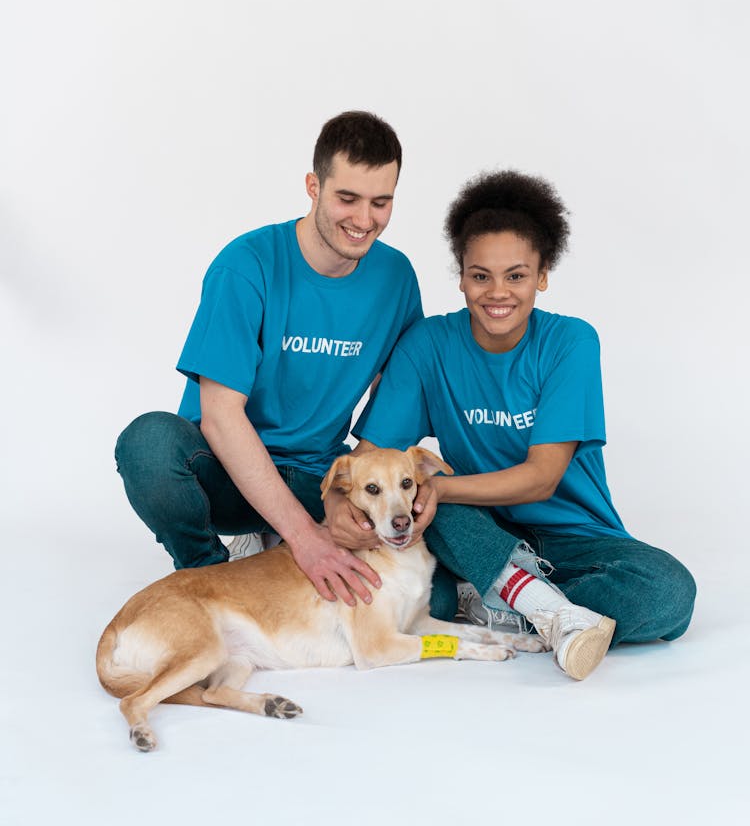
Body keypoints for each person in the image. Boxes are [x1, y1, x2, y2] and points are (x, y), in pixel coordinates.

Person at [342, 170, 696, 679]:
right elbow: (369, 461)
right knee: (420, 532)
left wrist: (437, 489)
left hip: (576, 538)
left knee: (669, 595)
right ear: (461, 275)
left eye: (516, 275)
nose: (497, 293)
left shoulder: (570, 343)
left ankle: (510, 598)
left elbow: (541, 477)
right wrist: (337, 506)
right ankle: (548, 613)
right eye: (480, 275)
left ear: (542, 275)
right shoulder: (426, 346)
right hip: (470, 527)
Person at [114, 111, 428, 606]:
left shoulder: (396, 277)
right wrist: (307, 540)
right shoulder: (246, 265)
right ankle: (209, 575)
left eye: (380, 202)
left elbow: (398, 397)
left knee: (442, 543)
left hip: (318, 476)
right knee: (147, 444)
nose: (364, 220)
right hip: (227, 474)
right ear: (313, 186)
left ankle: (274, 540)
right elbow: (219, 418)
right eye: (347, 198)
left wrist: (354, 493)